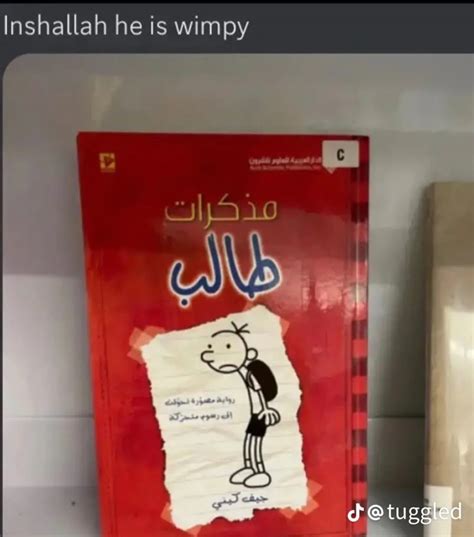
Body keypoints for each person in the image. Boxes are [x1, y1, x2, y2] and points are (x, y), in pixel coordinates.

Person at [200, 321, 280, 488]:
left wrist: (266, 410)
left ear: (249, 353)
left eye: (228, 347)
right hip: (254, 414)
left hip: (260, 414)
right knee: (249, 440)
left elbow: (260, 393)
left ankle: (260, 471)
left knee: (255, 442)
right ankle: (249, 467)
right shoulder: (244, 373)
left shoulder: (251, 374)